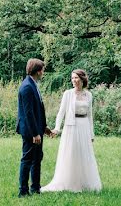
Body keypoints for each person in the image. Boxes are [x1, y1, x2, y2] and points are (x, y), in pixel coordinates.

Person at [42, 69, 102, 193]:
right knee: (71, 153)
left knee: (84, 154)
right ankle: (69, 182)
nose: (74, 80)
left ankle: (84, 182)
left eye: (76, 78)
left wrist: (91, 134)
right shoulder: (68, 94)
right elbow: (61, 112)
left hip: (84, 126)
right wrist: (57, 128)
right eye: (72, 78)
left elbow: (90, 116)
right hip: (71, 127)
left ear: (82, 79)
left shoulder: (89, 95)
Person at [16, 58, 54, 197]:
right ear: (38, 71)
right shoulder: (27, 87)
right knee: (27, 160)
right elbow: (28, 113)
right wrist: (35, 134)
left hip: (37, 129)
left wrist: (44, 128)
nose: (43, 73)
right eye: (43, 70)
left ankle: (35, 188)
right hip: (30, 131)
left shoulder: (33, 84)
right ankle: (23, 191)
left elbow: (38, 109)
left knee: (37, 159)